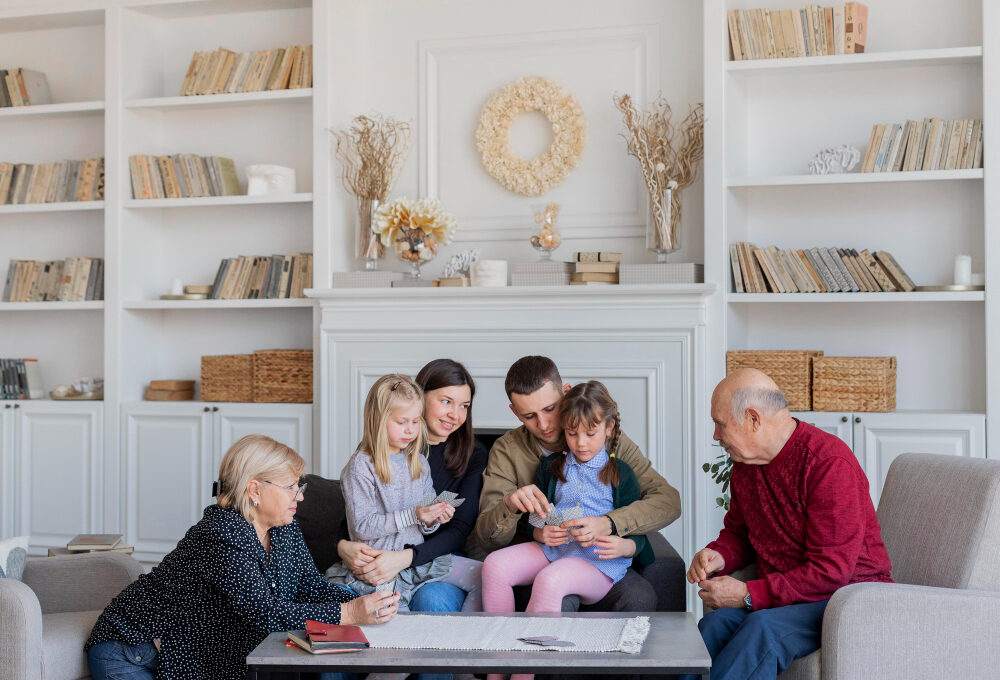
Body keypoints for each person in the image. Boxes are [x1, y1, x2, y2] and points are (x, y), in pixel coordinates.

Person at [84, 434, 399, 680]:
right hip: (132, 650)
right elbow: (264, 613)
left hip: (184, 651)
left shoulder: (284, 530)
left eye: (299, 485)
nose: (300, 496)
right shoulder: (222, 533)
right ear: (255, 490)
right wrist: (348, 614)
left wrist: (366, 601)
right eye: (291, 486)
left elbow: (311, 588)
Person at [682, 368, 893, 680]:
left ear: (753, 419)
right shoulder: (746, 466)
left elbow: (831, 572)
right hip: (792, 596)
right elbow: (740, 532)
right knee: (714, 624)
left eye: (720, 423)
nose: (716, 435)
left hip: (846, 598)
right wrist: (719, 555)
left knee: (763, 628)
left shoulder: (827, 464)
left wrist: (747, 594)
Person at [472, 355, 681, 611]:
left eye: (550, 409)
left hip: (596, 556)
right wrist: (510, 505)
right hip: (544, 550)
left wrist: (610, 523)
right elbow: (488, 537)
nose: (544, 424)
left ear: (566, 393)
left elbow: (667, 501)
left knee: (637, 595)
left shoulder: (608, 440)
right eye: (529, 416)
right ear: (514, 412)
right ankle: (500, 645)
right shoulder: (508, 450)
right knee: (522, 576)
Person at [482, 381, 653, 680]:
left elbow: (637, 533)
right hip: (556, 549)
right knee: (495, 565)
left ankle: (524, 675)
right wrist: (540, 533)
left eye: (590, 434)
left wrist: (621, 545)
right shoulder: (552, 466)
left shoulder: (621, 473)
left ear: (609, 428)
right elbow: (539, 517)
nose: (581, 443)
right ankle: (498, 667)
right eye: (573, 434)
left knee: (550, 580)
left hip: (597, 562)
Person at [336, 359, 488, 616]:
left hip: (425, 559)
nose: (456, 414)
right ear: (421, 396)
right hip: (383, 560)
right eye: (446, 401)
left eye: (464, 405)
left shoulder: (424, 461)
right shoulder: (368, 463)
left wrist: (433, 517)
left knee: (489, 574)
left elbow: (449, 525)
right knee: (396, 607)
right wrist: (341, 545)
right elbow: (358, 521)